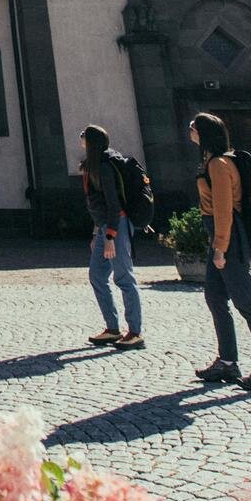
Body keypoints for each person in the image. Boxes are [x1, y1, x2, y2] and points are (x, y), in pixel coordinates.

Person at [189, 112, 251, 392]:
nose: (190, 131)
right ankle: (228, 361)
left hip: (228, 237)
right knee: (215, 297)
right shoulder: (212, 162)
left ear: (204, 133)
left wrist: (220, 248)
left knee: (247, 304)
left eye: (193, 128)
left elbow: (224, 208)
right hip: (220, 236)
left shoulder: (219, 164)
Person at [80, 125, 144, 349]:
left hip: (116, 226)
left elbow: (114, 205)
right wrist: (96, 233)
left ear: (91, 142)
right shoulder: (93, 166)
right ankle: (112, 328)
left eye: (83, 136)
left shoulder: (105, 167)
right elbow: (97, 205)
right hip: (104, 228)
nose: (80, 140)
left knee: (124, 278)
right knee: (97, 275)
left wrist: (109, 236)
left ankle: (135, 332)